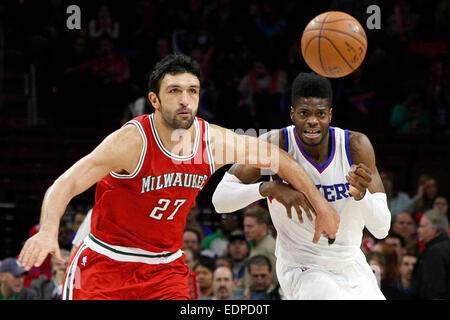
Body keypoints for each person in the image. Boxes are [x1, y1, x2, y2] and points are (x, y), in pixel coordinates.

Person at [18, 54, 339, 300]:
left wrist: (321, 205)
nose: (185, 99)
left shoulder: (213, 141)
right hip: (107, 263)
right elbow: (68, 182)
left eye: (192, 91)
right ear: (154, 100)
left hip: (165, 268)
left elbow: (279, 159)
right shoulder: (133, 141)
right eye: (174, 91)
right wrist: (48, 229)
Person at [213, 72, 391, 299]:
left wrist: (361, 195)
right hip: (302, 267)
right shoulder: (276, 144)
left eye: (320, 114)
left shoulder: (355, 146)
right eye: (304, 113)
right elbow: (219, 200)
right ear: (292, 114)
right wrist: (268, 189)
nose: (312, 121)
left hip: (351, 264)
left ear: (330, 115)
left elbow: (382, 228)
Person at [411, 209, 450, 299]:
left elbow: (433, 288)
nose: (418, 230)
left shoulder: (435, 252)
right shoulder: (444, 248)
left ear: (434, 229)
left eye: (422, 226)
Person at [241, 207, 277, 288]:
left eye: (250, 226)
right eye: (245, 226)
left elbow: (276, 282)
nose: (246, 230)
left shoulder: (270, 247)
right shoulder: (257, 245)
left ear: (263, 227)